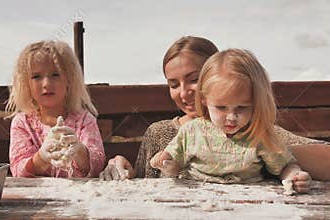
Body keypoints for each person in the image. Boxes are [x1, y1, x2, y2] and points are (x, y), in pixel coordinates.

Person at [99, 36, 329, 181]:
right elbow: (144, 182)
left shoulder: (250, 129)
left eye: (194, 79)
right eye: (173, 84)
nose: (184, 92)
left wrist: (259, 152)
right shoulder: (159, 132)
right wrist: (120, 164)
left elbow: (323, 159)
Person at [150, 48, 310, 193]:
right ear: (204, 99)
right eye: (221, 108)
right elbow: (175, 167)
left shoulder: (259, 134)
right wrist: (166, 163)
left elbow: (284, 166)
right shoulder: (192, 131)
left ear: (256, 103)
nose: (231, 117)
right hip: (197, 198)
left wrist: (294, 176)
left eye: (242, 108)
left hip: (248, 200)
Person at [6, 40, 105, 178]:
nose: (46, 83)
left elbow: (97, 165)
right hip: (35, 197)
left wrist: (80, 152)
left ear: (69, 79)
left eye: (55, 74)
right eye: (36, 77)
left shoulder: (85, 121)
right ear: (26, 84)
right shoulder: (22, 123)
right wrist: (41, 158)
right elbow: (18, 169)